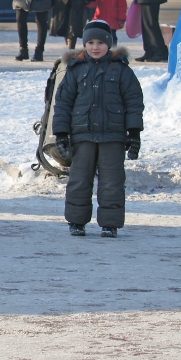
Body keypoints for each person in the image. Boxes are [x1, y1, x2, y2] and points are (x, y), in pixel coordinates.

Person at [53, 20, 144, 239]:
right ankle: (76, 221)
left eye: (100, 42)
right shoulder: (75, 70)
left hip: (112, 136)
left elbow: (134, 102)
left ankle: (110, 224)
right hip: (82, 134)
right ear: (84, 44)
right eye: (90, 42)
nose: (95, 47)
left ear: (109, 44)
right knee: (79, 179)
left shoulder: (121, 70)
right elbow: (63, 103)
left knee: (112, 180)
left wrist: (134, 132)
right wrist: (62, 133)